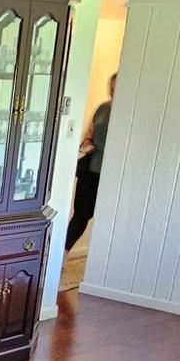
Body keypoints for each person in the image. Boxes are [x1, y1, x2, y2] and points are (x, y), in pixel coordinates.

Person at [67, 72, 114, 249]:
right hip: (90, 170)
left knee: (101, 217)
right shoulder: (104, 108)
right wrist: (87, 143)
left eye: (117, 89)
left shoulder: (129, 114)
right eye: (111, 88)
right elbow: (90, 133)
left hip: (110, 174)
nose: (112, 93)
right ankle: (61, 254)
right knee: (80, 215)